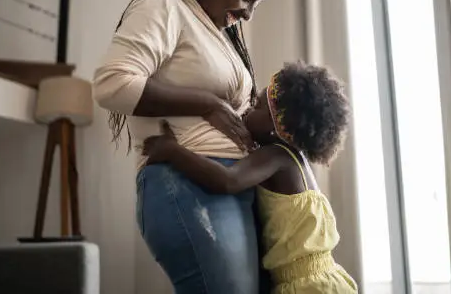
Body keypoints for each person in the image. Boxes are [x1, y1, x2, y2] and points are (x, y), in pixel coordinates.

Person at [92, 0, 271, 294]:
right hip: (186, 181)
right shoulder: (165, 5)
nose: (249, 13)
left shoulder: (219, 33)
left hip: (233, 184)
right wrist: (206, 103)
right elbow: (112, 84)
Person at [144, 61, 359, 294]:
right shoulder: (296, 162)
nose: (246, 109)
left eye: (256, 106)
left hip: (306, 286)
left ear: (277, 128)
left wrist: (172, 150)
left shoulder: (276, 157)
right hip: (325, 279)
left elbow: (228, 180)